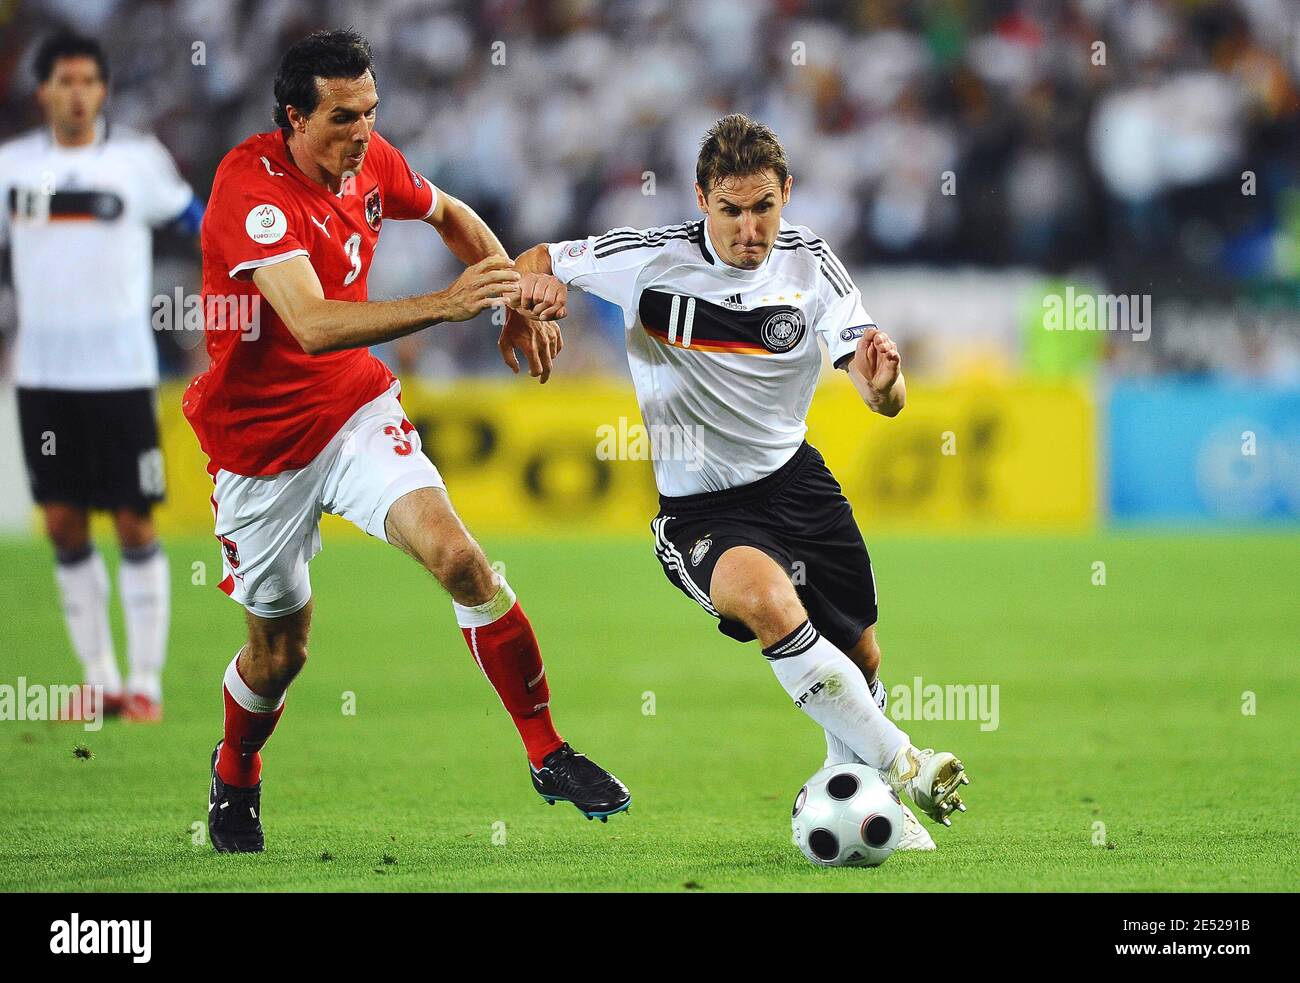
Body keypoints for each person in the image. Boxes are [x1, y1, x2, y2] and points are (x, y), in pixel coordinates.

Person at [185, 29, 628, 853]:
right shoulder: (252, 189)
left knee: (461, 559)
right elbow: (313, 325)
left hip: (352, 411)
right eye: (343, 118)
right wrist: (449, 303)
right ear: (293, 117)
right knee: (280, 652)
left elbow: (453, 215)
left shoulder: (370, 161)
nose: (362, 134)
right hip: (259, 449)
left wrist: (514, 297)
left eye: (371, 113)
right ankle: (236, 769)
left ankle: (546, 749)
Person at [508, 114, 969, 849]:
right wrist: (520, 306)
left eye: (763, 207)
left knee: (863, 658)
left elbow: (882, 394)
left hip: (797, 484)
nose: (748, 228)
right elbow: (536, 258)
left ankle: (861, 794)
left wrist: (887, 386)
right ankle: (906, 764)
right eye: (730, 210)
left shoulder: (813, 264)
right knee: (766, 600)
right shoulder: (648, 261)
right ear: (701, 200)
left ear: (786, 194)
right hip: (701, 510)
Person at [0, 33, 201, 723]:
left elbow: (195, 222)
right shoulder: (11, 167)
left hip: (122, 375)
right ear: (44, 92)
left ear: (104, 89)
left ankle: (145, 681)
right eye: (66, 81)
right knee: (61, 521)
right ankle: (99, 677)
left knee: (135, 519)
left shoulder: (137, 161)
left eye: (89, 80)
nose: (78, 92)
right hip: (44, 376)